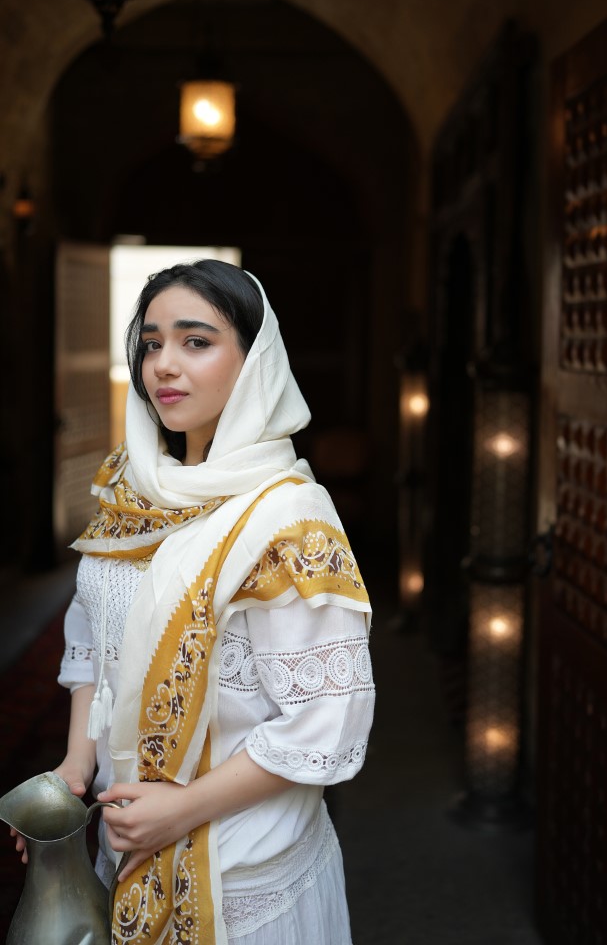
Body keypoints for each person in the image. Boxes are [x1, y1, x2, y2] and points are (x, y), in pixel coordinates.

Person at [14, 260, 374, 945]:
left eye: (196, 341)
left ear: (254, 362)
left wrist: (181, 810)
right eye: (151, 343)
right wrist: (75, 769)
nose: (164, 365)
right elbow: (94, 637)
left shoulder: (290, 519)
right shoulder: (130, 488)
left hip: (241, 872)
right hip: (128, 842)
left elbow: (327, 720)